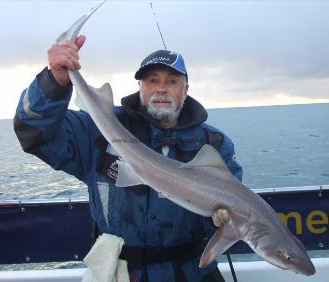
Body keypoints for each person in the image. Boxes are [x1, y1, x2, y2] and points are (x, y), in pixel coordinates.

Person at [14, 35, 242, 282]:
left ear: (185, 90)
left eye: (172, 81)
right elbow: (35, 132)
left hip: (191, 273)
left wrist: (221, 221)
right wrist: (54, 81)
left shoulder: (214, 145)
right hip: (121, 273)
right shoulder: (98, 129)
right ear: (140, 87)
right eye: (152, 80)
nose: (161, 88)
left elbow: (237, 212)